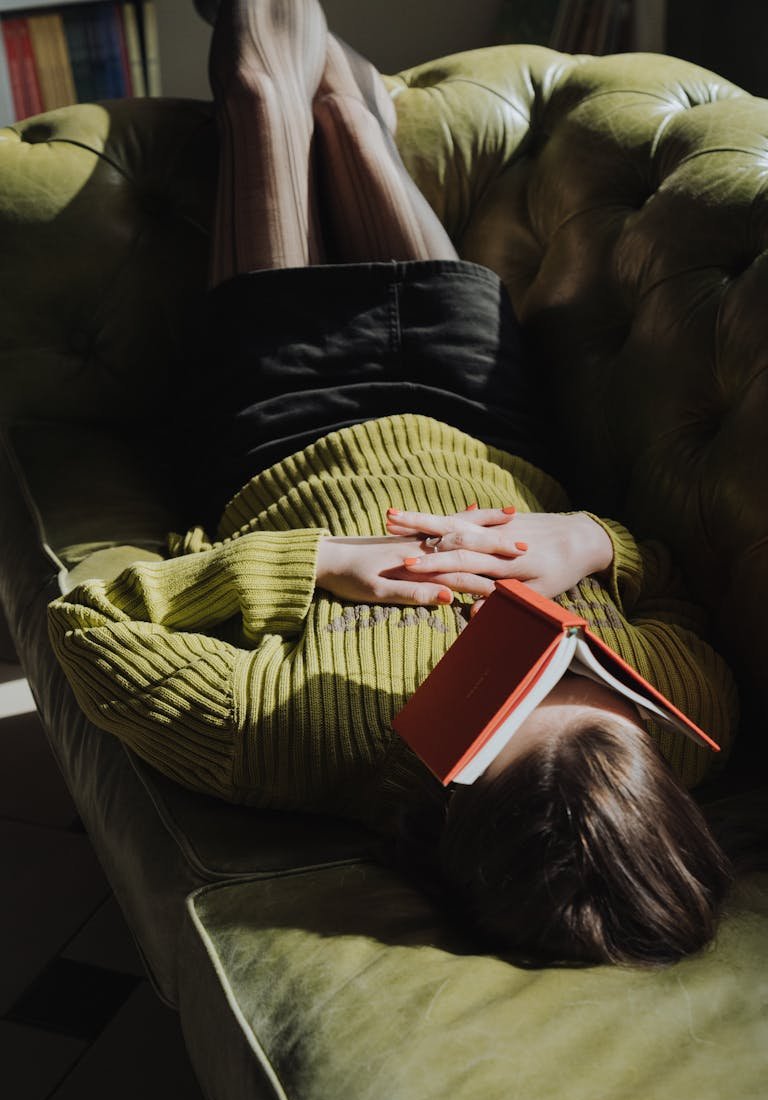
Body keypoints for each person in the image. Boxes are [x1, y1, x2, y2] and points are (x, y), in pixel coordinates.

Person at [47, 0, 738, 968]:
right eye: (578, 673)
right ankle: (323, 57)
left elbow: (88, 627)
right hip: (478, 408)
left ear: (456, 798)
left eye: (504, 699)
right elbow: (665, 587)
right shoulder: (686, 720)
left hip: (281, 421)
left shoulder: (296, 738)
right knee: (344, 117)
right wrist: (586, 541)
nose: (546, 660)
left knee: (257, 93)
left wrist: (315, 562)